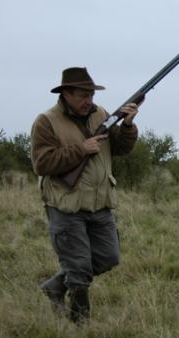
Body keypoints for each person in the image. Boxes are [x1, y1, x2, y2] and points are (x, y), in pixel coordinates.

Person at [30, 67, 140, 323]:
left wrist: (127, 124)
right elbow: (42, 163)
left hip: (100, 203)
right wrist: (80, 150)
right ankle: (81, 325)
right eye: (82, 96)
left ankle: (55, 286)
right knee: (78, 268)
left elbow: (121, 149)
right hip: (66, 205)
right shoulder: (46, 121)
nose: (88, 101)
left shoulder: (101, 115)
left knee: (109, 258)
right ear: (66, 94)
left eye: (90, 95)